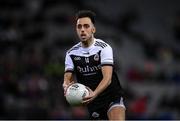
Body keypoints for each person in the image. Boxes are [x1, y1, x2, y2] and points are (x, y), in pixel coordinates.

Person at [63, 10, 126, 120]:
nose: (82, 29)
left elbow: (108, 78)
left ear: (93, 29)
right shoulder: (71, 53)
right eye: (79, 27)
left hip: (111, 96)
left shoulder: (104, 48)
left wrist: (95, 93)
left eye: (86, 26)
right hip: (93, 101)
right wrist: (66, 86)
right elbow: (67, 78)